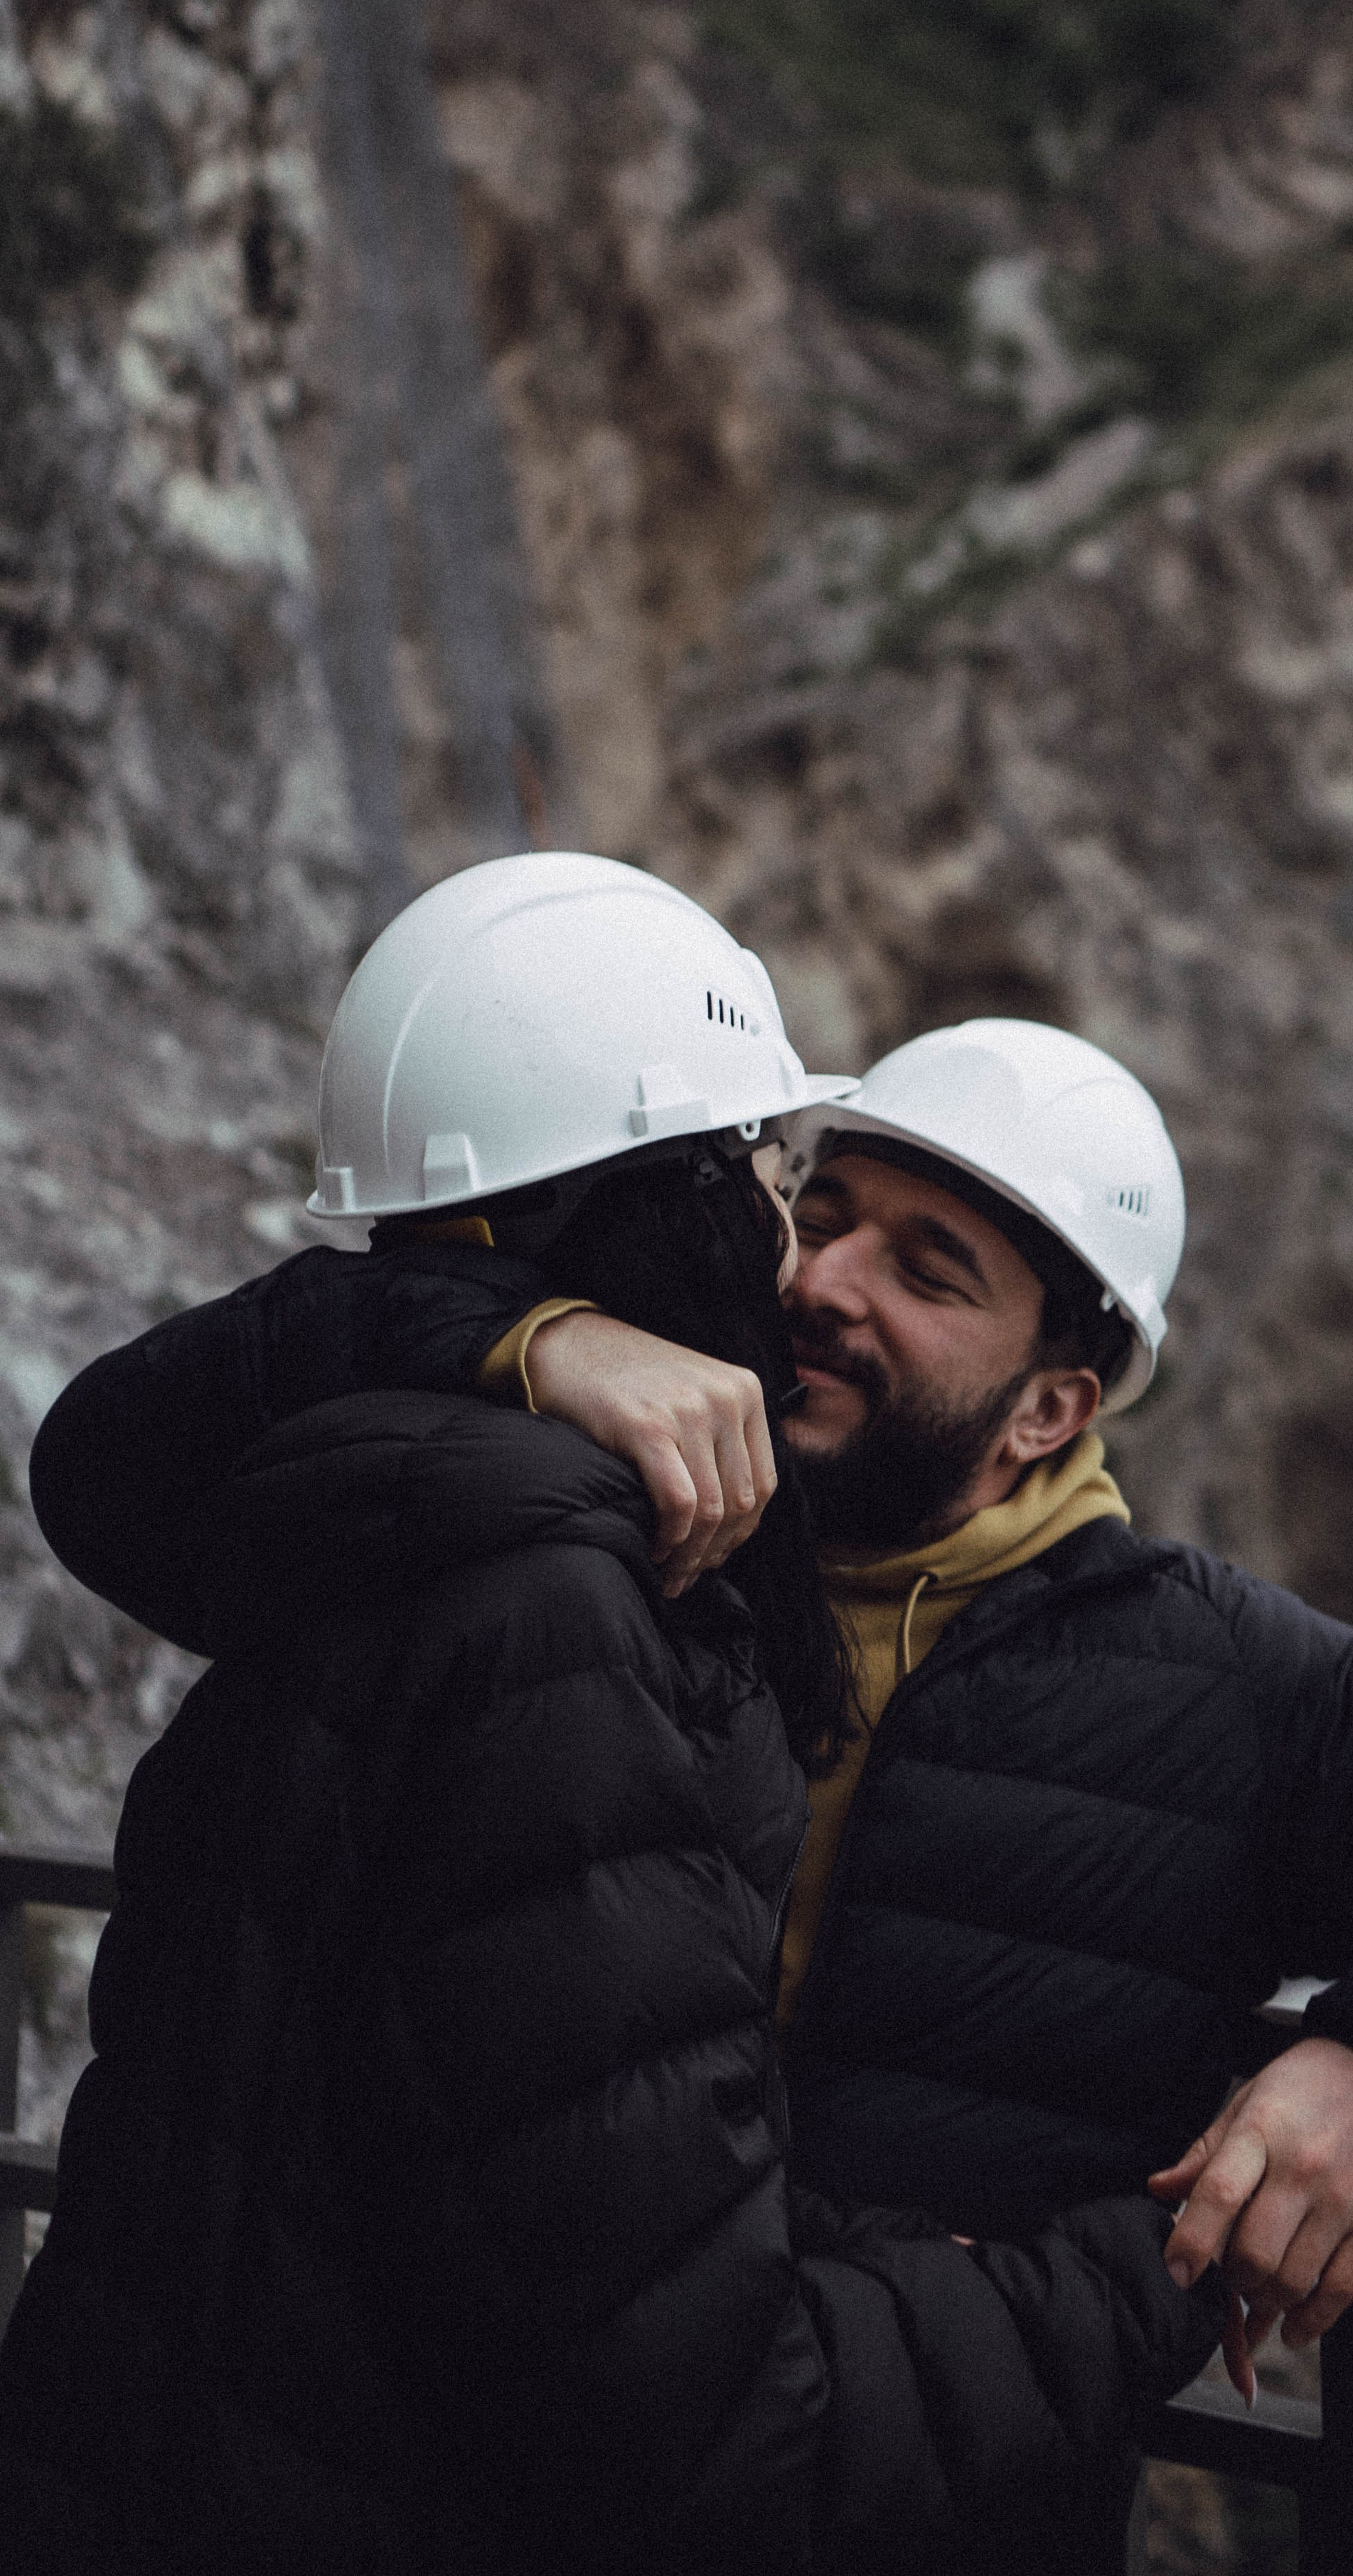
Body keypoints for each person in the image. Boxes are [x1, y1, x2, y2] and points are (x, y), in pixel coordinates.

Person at [29, 962, 1353, 2566]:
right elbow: (129, 1450)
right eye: (822, 1214)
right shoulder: (605, 1533)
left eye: (930, 1275)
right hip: (489, 2484)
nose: (827, 1288)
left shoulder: (1217, 1680)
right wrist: (519, 1335)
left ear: (1052, 1410)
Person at [0, 859, 1226, 2576]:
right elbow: (715, 2426)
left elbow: (505, 2149)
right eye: (768, 1178)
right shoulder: (559, 1619)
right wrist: (1141, 2271)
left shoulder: (355, 1517)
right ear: (673, 1209)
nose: (794, 1253)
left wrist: (520, 1332)